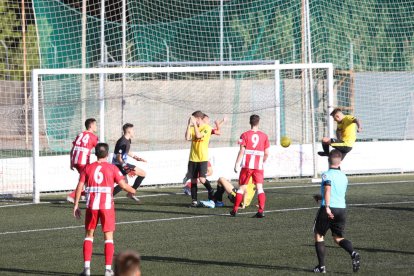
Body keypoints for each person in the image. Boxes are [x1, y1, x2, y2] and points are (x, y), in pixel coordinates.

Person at [73, 143, 136, 276]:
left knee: (89, 236)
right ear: (107, 154)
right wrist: (133, 190)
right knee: (108, 237)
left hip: (92, 206)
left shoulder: (87, 168)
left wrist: (76, 205)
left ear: (95, 154)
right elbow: (123, 185)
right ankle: (107, 270)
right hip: (107, 207)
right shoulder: (112, 168)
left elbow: (79, 186)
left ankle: (86, 269)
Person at [312, 149, 361, 273]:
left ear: (328, 160)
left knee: (319, 235)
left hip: (328, 208)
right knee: (338, 238)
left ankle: (321, 267)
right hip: (341, 209)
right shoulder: (344, 177)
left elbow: (328, 190)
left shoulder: (326, 174)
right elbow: (335, 193)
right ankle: (353, 253)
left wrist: (327, 207)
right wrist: (321, 197)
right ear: (340, 162)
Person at [231, 114, 270, 218]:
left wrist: (236, 164)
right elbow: (266, 153)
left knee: (241, 188)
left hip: (247, 166)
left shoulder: (244, 135)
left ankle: (234, 210)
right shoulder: (264, 136)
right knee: (260, 188)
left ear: (250, 122)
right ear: (258, 122)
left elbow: (242, 150)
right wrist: (262, 162)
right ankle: (261, 211)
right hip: (258, 166)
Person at [182, 115, 225, 195]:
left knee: (208, 173)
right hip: (196, 156)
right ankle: (188, 183)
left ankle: (190, 178)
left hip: (203, 156)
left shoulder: (207, 128)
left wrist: (221, 122)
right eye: (206, 120)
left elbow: (217, 131)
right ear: (201, 119)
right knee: (200, 175)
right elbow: (188, 137)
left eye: (208, 120)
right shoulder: (197, 127)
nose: (207, 121)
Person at [185, 111, 215, 206]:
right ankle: (194, 200)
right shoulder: (193, 127)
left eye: (194, 119)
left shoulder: (207, 128)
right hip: (193, 158)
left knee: (202, 179)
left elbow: (198, 136)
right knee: (193, 180)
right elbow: (187, 137)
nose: (194, 121)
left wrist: (194, 124)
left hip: (202, 158)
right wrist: (189, 125)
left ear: (198, 119)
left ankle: (211, 190)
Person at [112, 123, 147, 202]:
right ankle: (129, 193)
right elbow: (118, 158)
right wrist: (127, 168)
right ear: (129, 131)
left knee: (124, 183)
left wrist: (137, 158)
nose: (134, 132)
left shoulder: (128, 140)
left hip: (121, 164)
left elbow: (126, 152)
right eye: (133, 130)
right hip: (119, 165)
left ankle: (130, 193)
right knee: (142, 174)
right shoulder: (122, 142)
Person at [67, 118, 99, 203]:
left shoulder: (80, 134)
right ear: (91, 126)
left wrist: (71, 163)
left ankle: (84, 195)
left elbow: (72, 149)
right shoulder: (93, 137)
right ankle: (72, 196)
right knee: (86, 179)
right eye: (95, 125)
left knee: (84, 178)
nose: (96, 127)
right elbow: (99, 150)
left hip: (75, 160)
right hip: (83, 161)